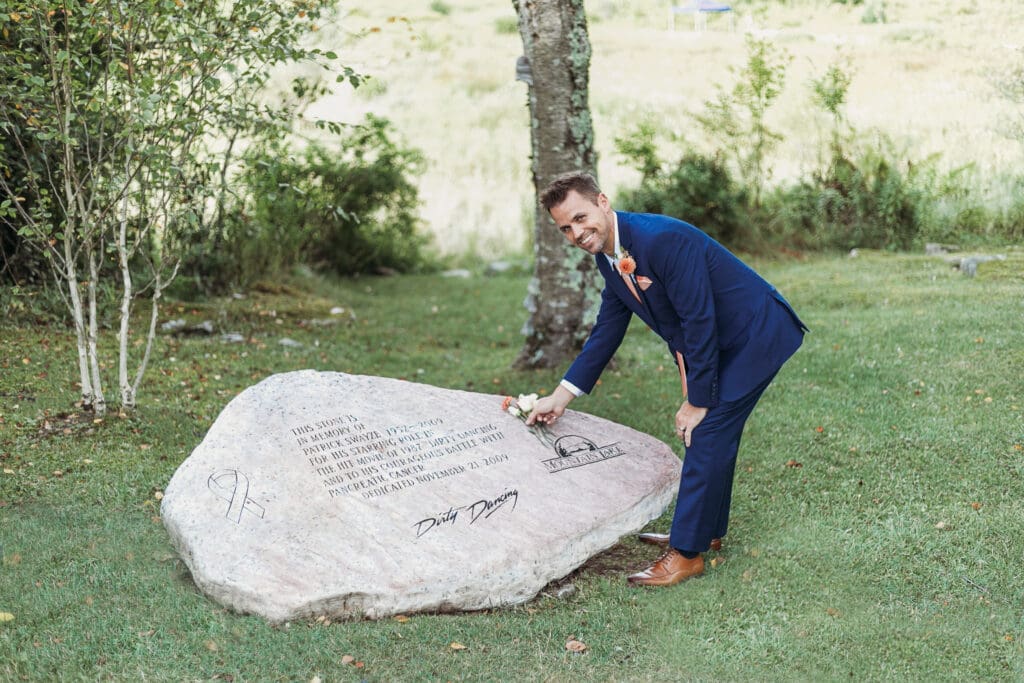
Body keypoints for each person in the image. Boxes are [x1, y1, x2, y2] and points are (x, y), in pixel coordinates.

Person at [525, 171, 807, 587]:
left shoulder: (661, 240)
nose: (576, 232)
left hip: (756, 333)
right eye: (565, 227)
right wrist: (561, 396)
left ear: (603, 202)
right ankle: (704, 532)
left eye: (581, 218)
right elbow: (607, 331)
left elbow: (699, 320)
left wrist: (697, 399)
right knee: (713, 433)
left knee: (707, 428)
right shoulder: (609, 258)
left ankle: (686, 553)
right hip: (724, 339)